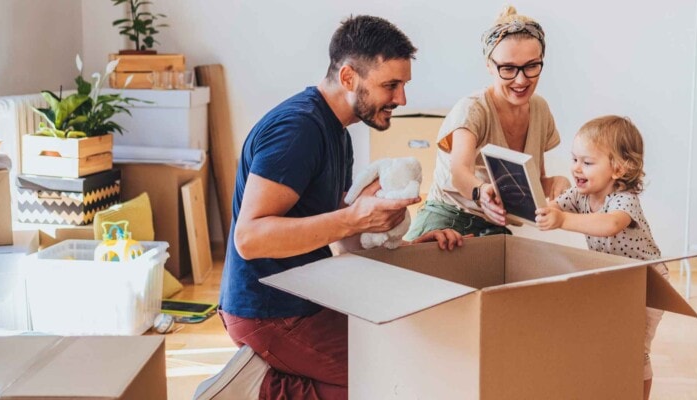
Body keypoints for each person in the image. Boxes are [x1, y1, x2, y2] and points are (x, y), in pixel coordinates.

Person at [218, 15, 465, 400]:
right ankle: (259, 388)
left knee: (402, 356)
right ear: (348, 77)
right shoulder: (297, 130)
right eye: (391, 85)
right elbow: (249, 239)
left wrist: (411, 247)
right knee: (388, 376)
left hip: (307, 297)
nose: (402, 99)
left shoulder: (337, 132)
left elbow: (342, 237)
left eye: (403, 85)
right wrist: (353, 216)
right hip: (268, 310)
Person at [404, 6, 570, 241]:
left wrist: (557, 183)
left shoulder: (540, 110)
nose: (521, 80)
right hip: (447, 218)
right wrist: (480, 192)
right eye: (508, 68)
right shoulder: (473, 109)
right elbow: (459, 172)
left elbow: (534, 184)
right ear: (489, 65)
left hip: (491, 228)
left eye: (532, 66)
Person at [534, 115, 667, 400]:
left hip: (648, 282)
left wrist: (562, 220)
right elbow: (555, 206)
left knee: (635, 349)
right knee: (609, 339)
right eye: (574, 159)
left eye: (587, 162)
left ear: (618, 169)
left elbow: (609, 225)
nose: (576, 168)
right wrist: (545, 209)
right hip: (617, 278)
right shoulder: (581, 194)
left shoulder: (623, 198)